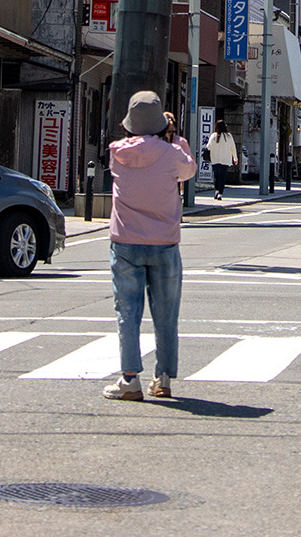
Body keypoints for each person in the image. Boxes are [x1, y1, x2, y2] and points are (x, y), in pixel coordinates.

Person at [102, 90, 197, 401]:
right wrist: (176, 140)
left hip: (125, 242)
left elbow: (135, 150)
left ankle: (130, 380)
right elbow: (189, 170)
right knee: (166, 314)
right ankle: (163, 378)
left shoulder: (117, 154)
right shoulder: (171, 153)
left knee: (127, 312)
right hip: (164, 243)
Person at [205, 118, 238, 200]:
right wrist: (235, 158)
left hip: (215, 159)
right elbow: (233, 148)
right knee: (222, 177)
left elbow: (208, 147)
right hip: (225, 159)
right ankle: (220, 193)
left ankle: (216, 190)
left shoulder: (213, 136)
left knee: (216, 176)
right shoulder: (228, 136)